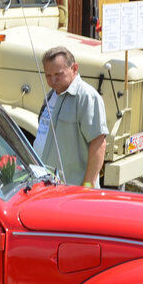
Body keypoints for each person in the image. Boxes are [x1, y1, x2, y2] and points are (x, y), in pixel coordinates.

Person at [33, 46, 107, 187]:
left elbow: (98, 143)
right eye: (48, 75)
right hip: (47, 185)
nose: (52, 80)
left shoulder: (86, 97)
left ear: (74, 69)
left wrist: (88, 186)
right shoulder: (51, 95)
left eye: (58, 74)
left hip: (73, 190)